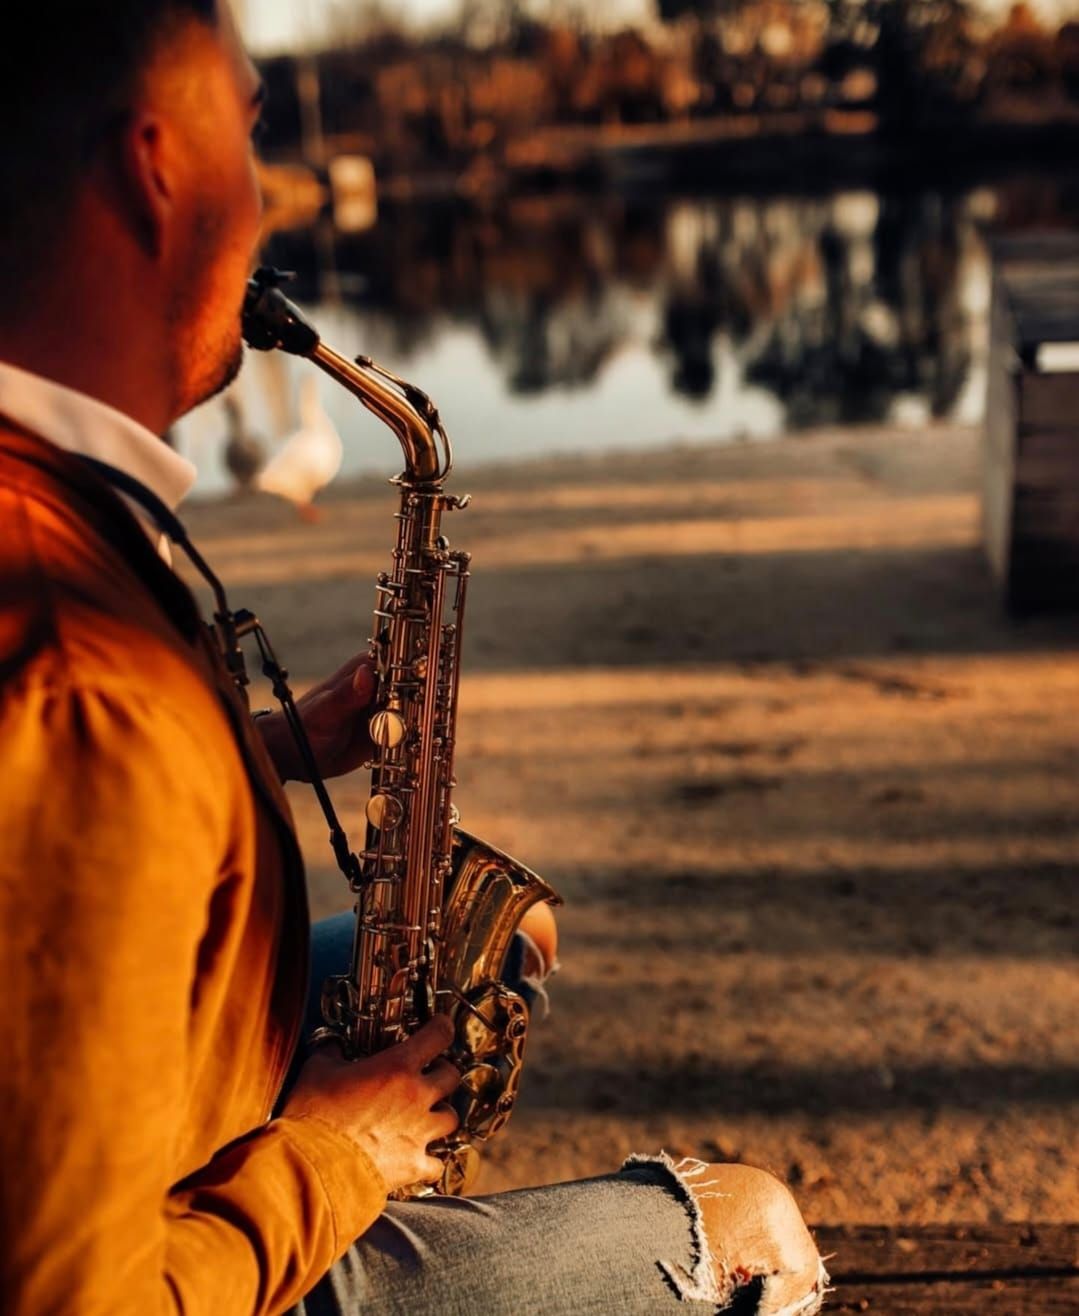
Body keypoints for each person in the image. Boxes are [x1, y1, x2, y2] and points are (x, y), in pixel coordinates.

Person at [0, 4, 827, 1313]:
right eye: (252, 135)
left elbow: (45, 822)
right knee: (758, 1230)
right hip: (205, 1239)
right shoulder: (80, 678)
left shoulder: (41, 531)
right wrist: (342, 1152)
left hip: (162, 1115)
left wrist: (253, 754)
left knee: (508, 933)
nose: (268, 201)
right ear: (155, 170)